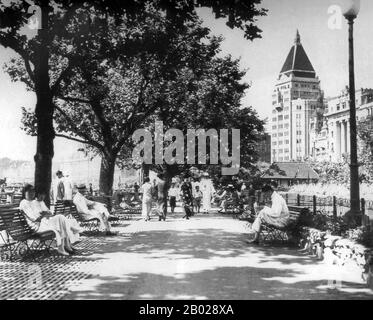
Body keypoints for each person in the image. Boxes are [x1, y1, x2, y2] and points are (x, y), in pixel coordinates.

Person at [19, 184, 80, 256]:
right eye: (29, 192)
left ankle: (65, 247)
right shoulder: (24, 203)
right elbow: (35, 218)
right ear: (24, 192)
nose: (32, 193)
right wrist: (44, 214)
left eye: (33, 191)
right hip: (36, 227)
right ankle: (65, 245)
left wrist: (44, 214)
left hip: (42, 223)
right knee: (60, 220)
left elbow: (46, 213)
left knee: (60, 218)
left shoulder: (34, 202)